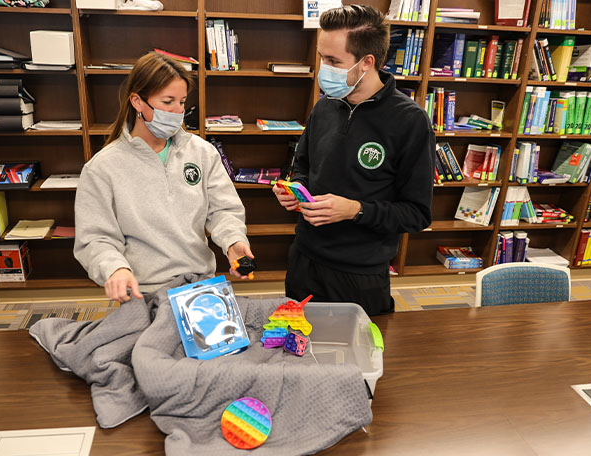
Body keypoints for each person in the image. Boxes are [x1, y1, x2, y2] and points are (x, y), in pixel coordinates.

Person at [273, 5, 434, 316]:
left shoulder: (410, 121)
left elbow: (417, 214)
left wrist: (355, 211)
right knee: (299, 354)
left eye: (333, 61)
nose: (323, 68)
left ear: (366, 63)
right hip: (304, 260)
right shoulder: (324, 107)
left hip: (360, 274)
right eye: (321, 57)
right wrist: (294, 189)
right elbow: (303, 166)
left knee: (358, 360)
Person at [75, 52, 253, 303]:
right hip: (143, 292)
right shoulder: (102, 168)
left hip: (201, 286)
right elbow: (95, 238)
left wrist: (233, 242)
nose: (177, 112)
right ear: (137, 101)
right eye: (168, 101)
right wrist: (115, 268)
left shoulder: (202, 152)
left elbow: (224, 210)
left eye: (181, 102)